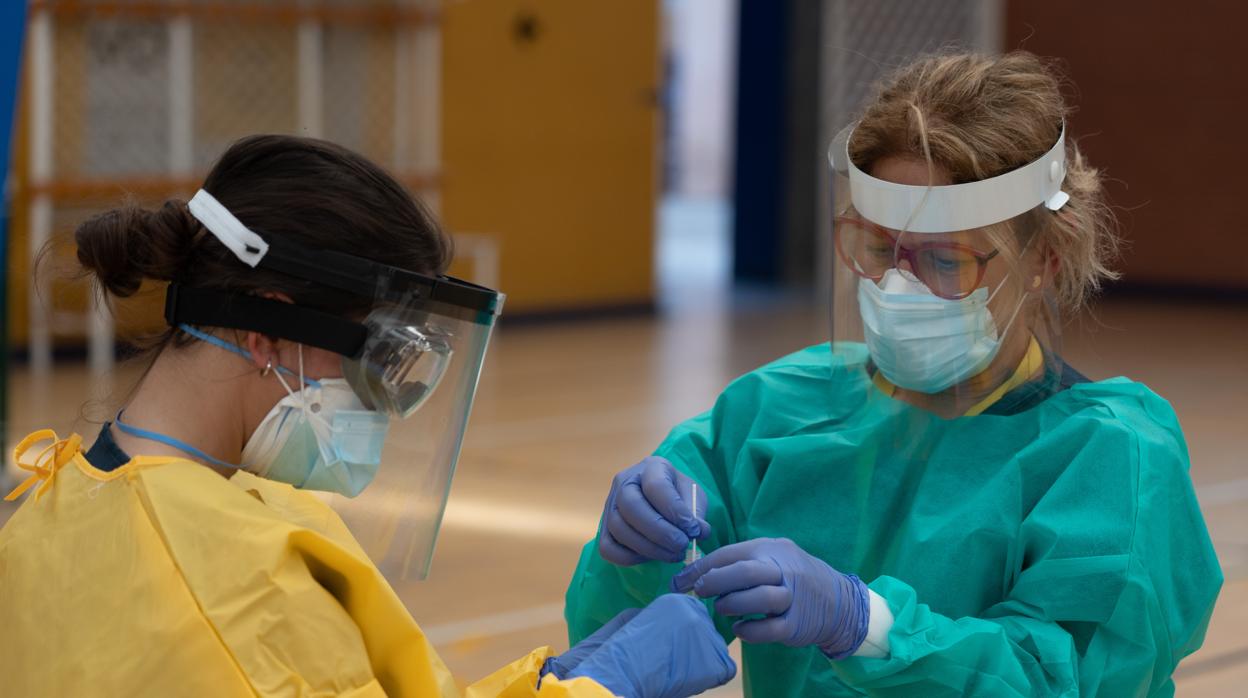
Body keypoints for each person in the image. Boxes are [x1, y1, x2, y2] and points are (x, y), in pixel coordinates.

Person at [565, 51, 1222, 696]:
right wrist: (637, 554)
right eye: (878, 248)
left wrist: (868, 627)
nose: (897, 285)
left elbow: (1069, 679)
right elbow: (628, 635)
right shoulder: (775, 413)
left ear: (1043, 258)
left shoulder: (1107, 458)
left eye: (946, 261)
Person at [0, 135, 736, 697]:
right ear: (267, 332)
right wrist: (607, 689)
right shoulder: (238, 580)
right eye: (377, 359)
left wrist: (552, 681)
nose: (383, 404)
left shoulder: (48, 510)